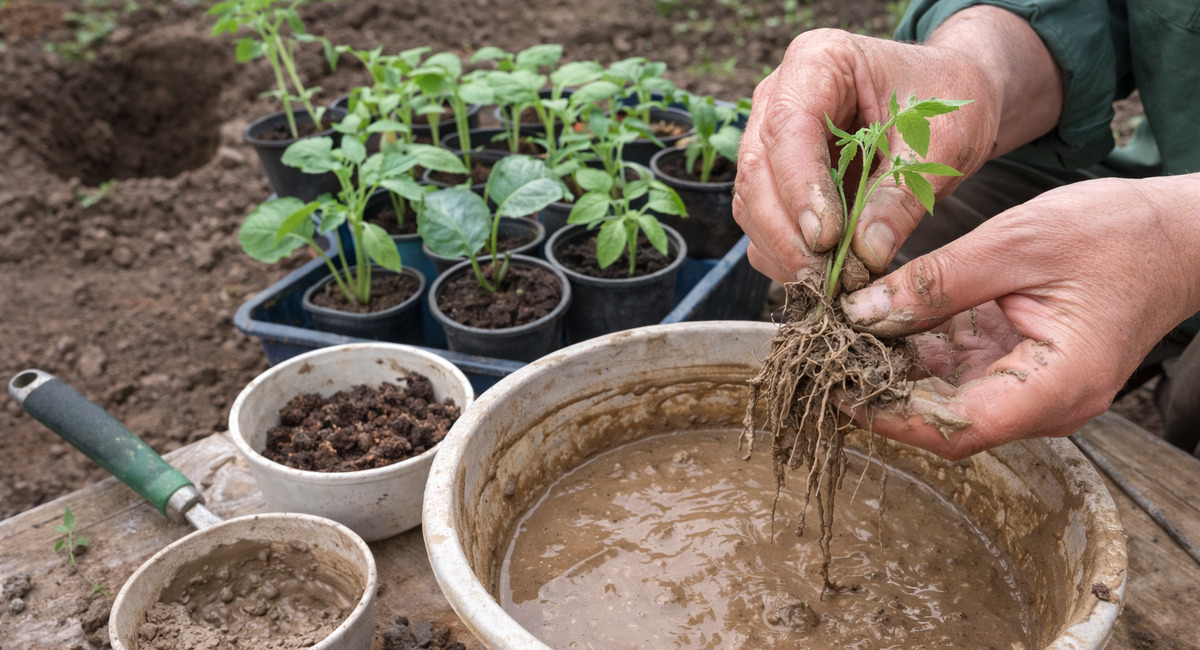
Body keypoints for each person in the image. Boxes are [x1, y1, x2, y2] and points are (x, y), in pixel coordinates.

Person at [732, 0, 1200, 460]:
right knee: (923, 237)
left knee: (1190, 405)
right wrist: (978, 61)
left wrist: (1177, 244)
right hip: (1148, 169)